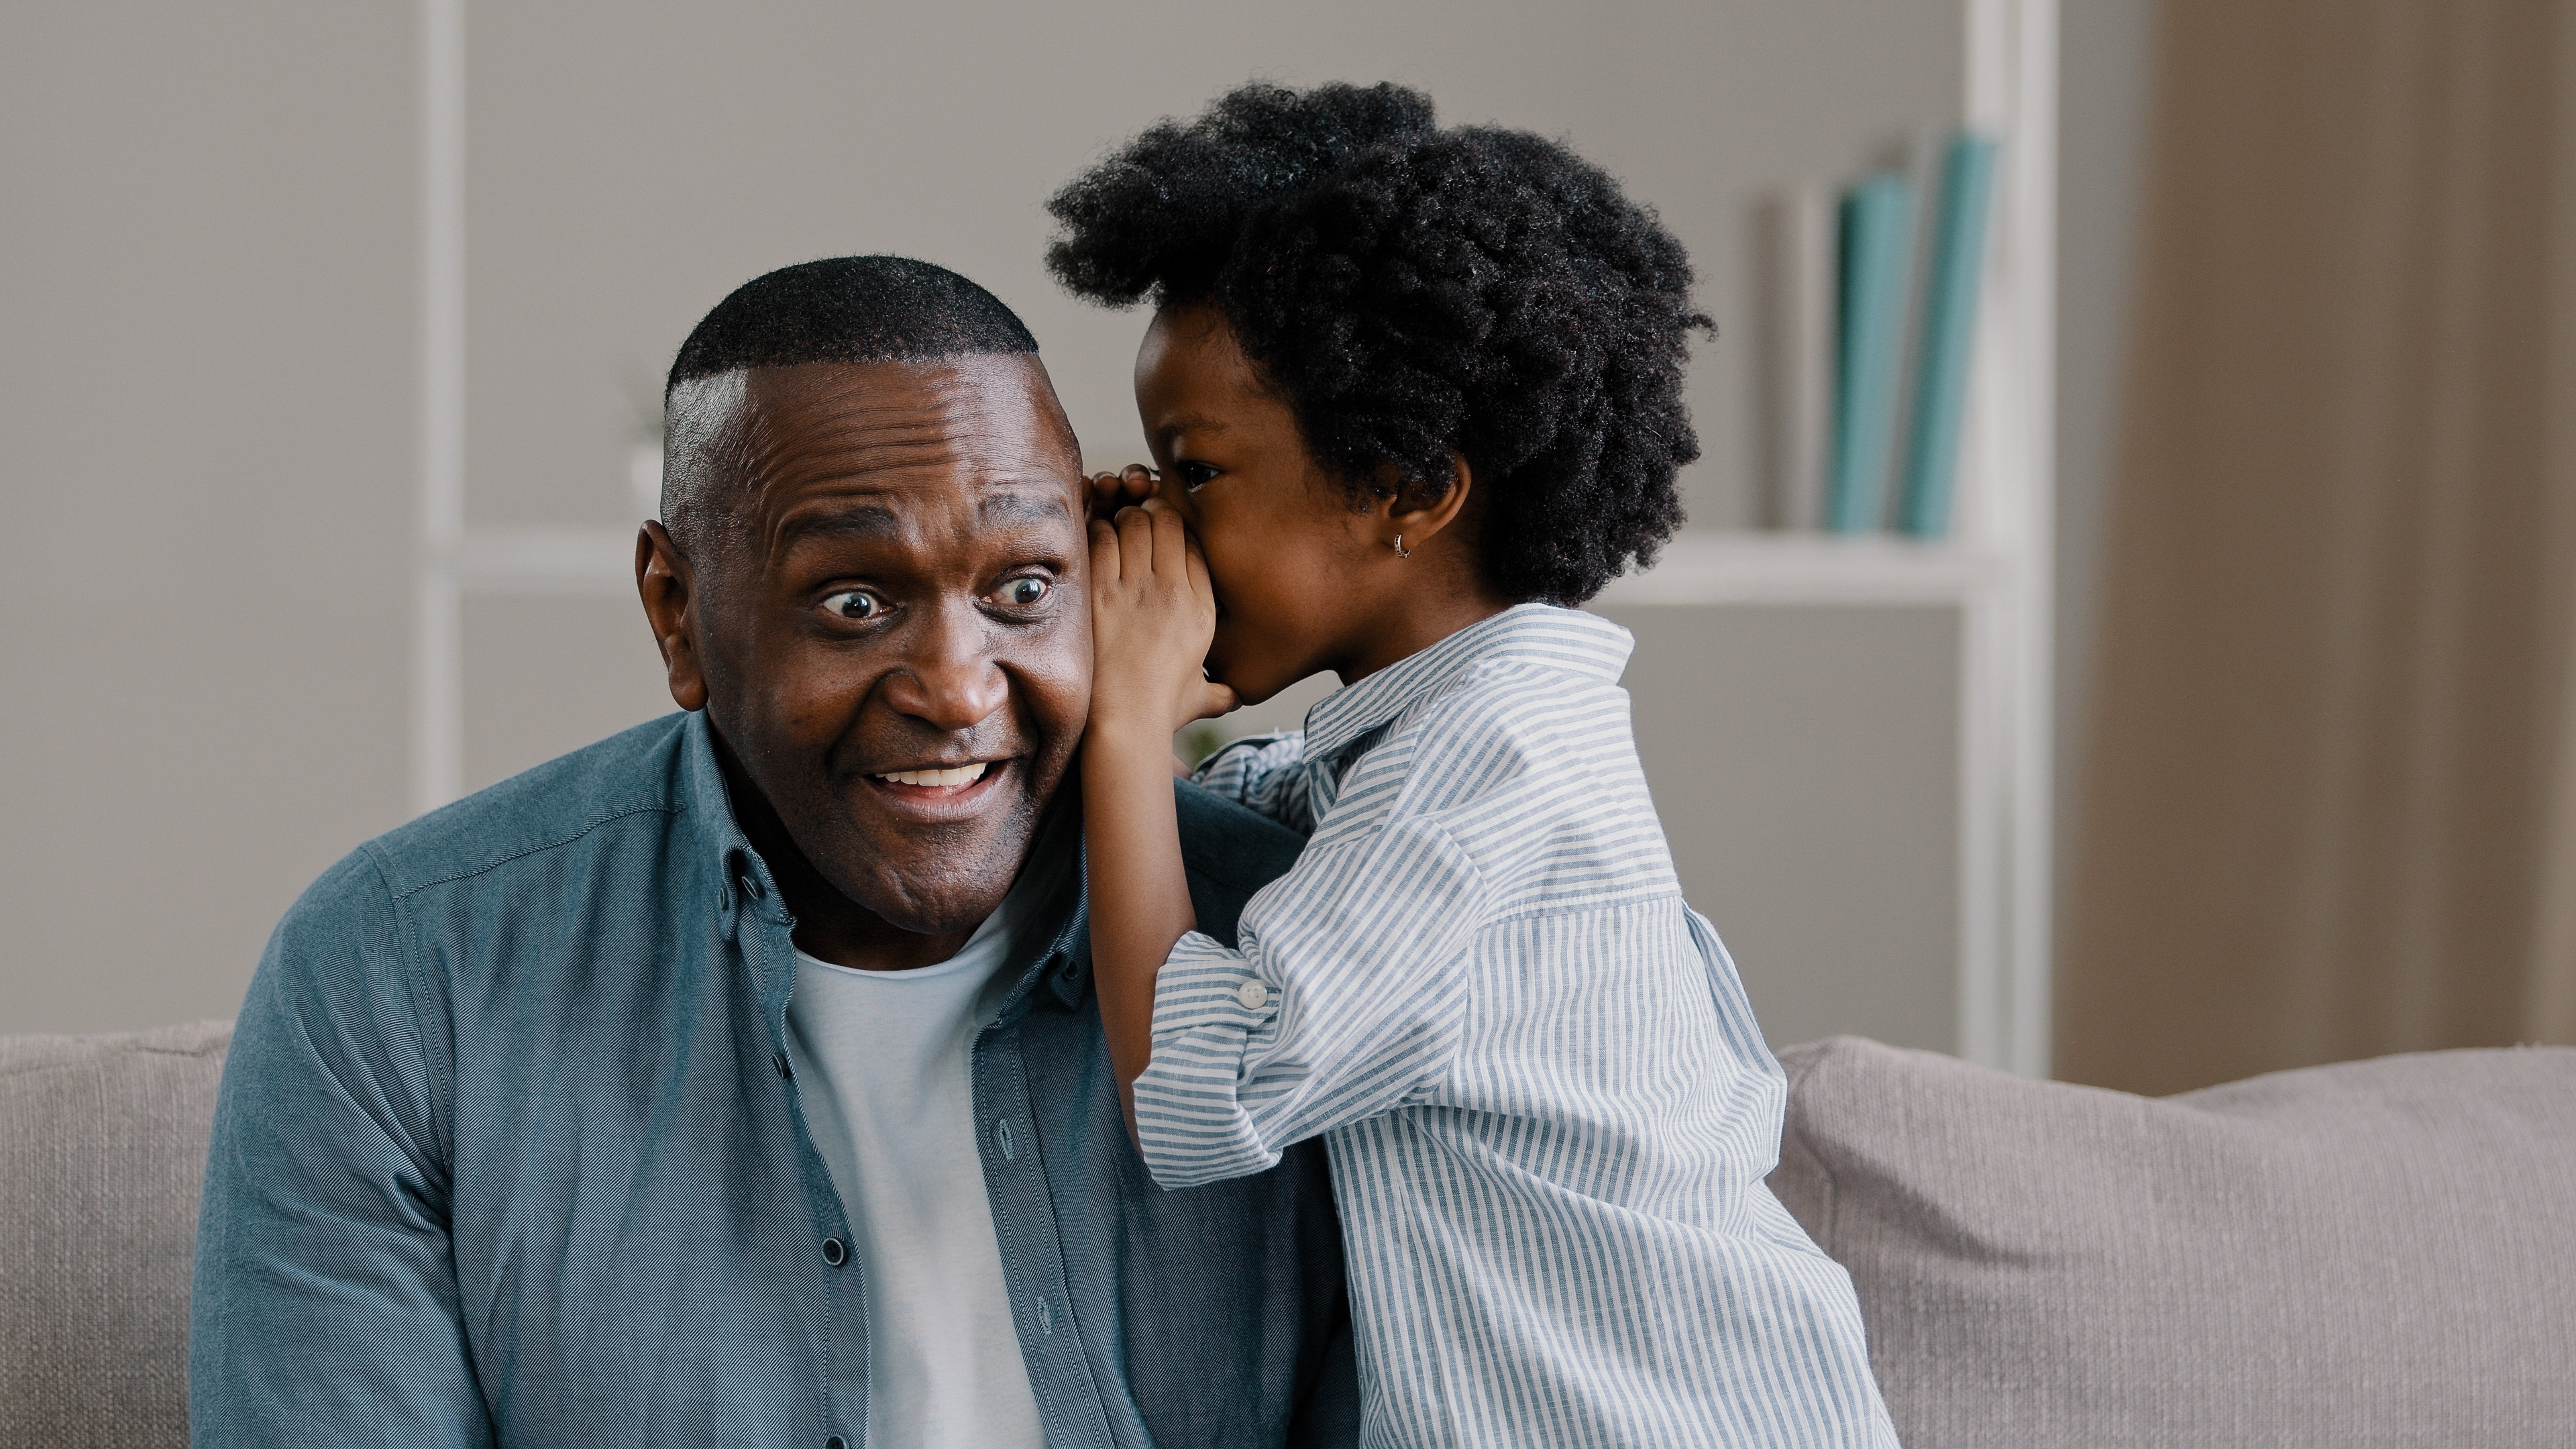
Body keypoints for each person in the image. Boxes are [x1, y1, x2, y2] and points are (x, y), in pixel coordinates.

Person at [190, 256, 1358, 1449]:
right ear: (675, 610)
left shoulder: (1313, 953)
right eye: (854, 603)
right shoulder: (395, 977)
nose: (958, 690)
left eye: (1022, 587)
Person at [1051, 85, 1899, 1446]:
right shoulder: (1459, 742)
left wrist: (1132, 733)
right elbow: (1232, 814)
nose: (1161, 526)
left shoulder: (1482, 780)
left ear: (1409, 487)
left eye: (1193, 475)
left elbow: (1200, 1099)